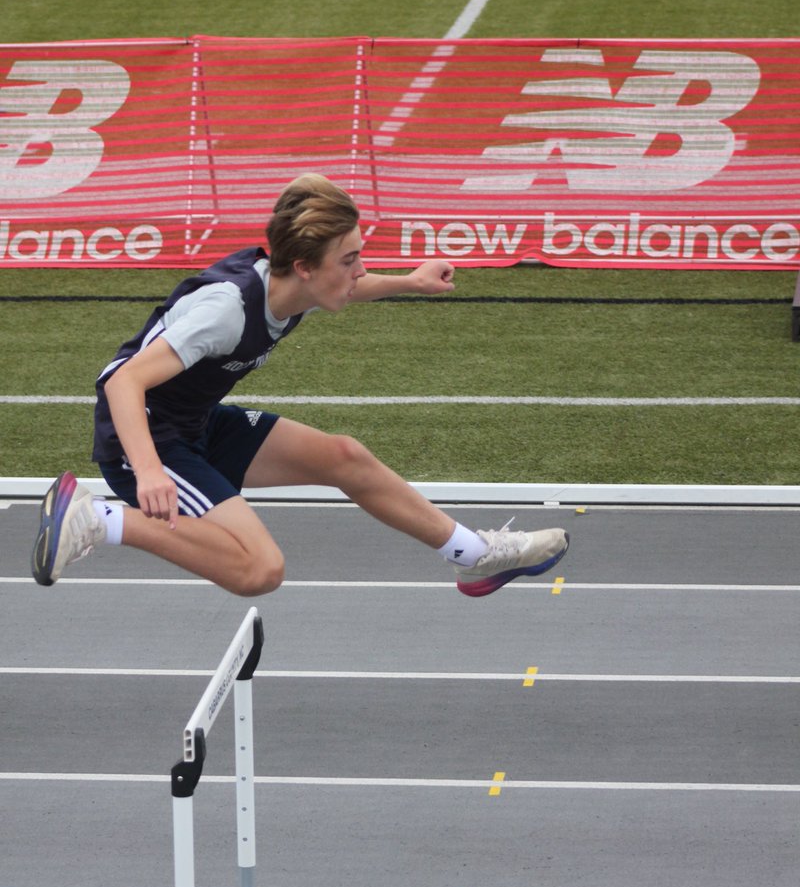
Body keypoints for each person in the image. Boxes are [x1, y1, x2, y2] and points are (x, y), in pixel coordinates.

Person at [31, 174, 569, 599]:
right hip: (144, 438)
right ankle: (99, 517)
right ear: (304, 267)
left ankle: (472, 555)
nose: (360, 270)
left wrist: (410, 281)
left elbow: (346, 288)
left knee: (343, 457)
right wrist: (148, 470)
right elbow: (123, 381)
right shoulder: (225, 310)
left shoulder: (291, 285)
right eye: (350, 259)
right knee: (259, 570)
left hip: (191, 421)